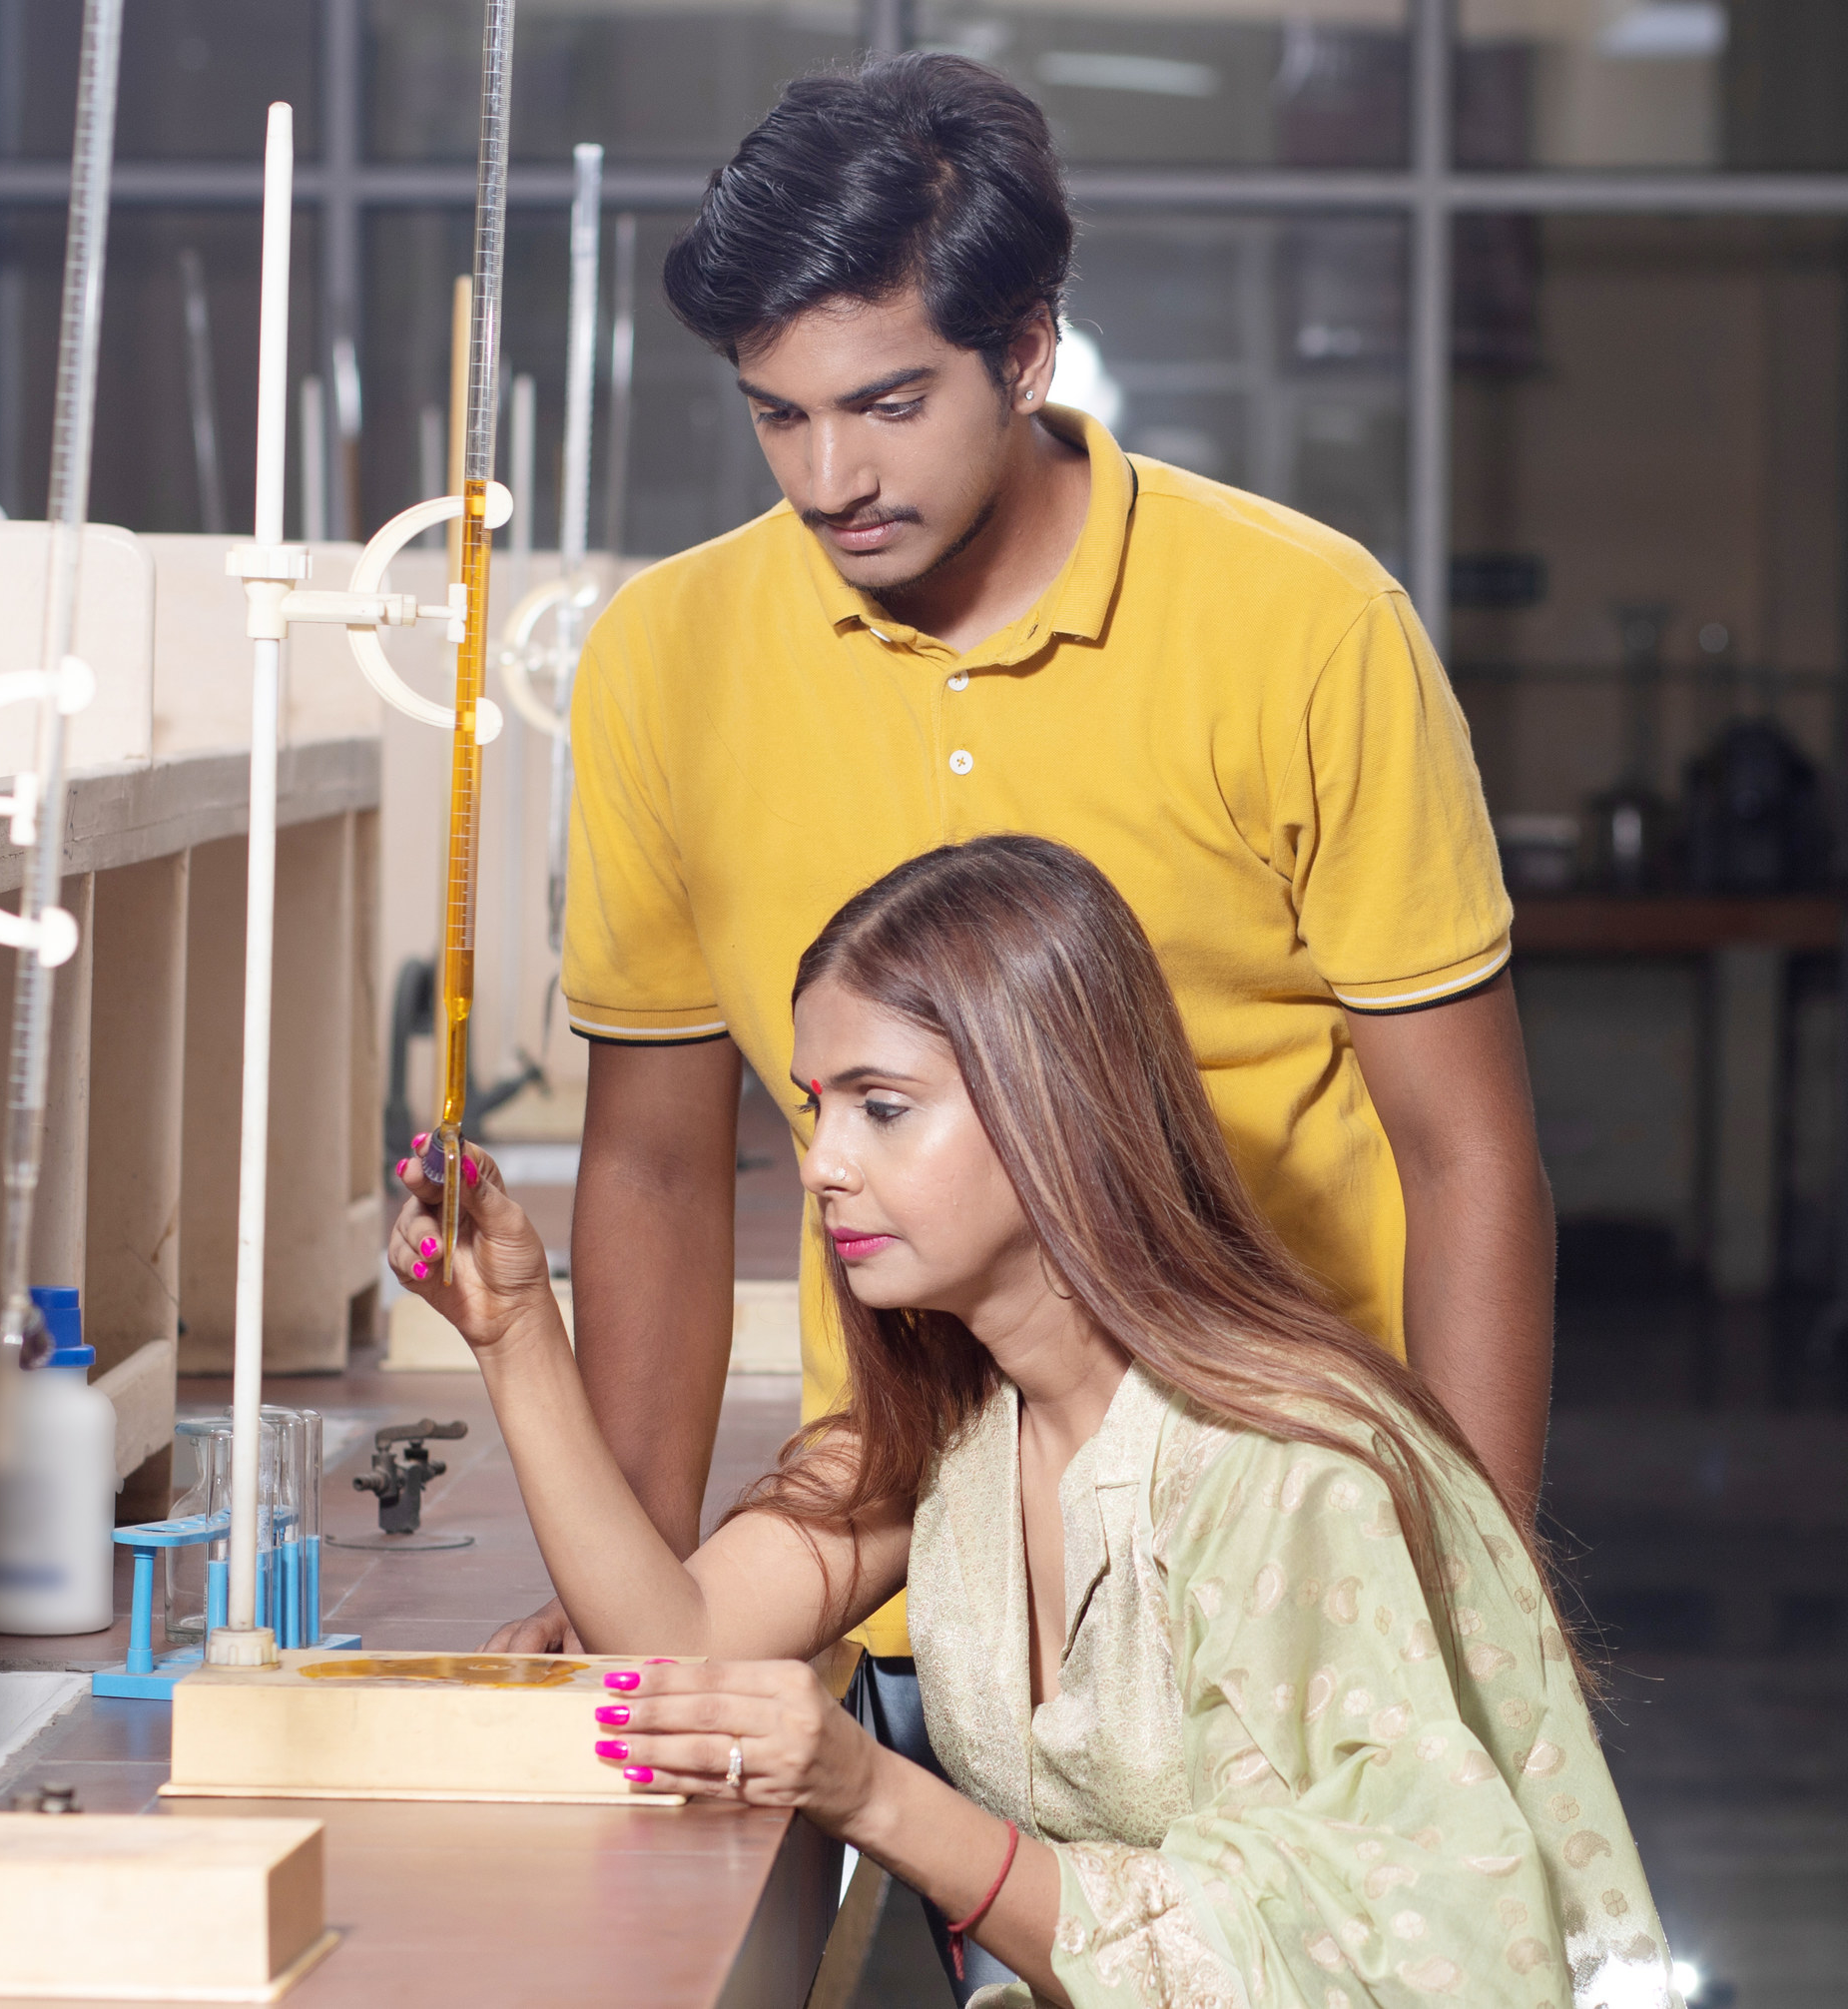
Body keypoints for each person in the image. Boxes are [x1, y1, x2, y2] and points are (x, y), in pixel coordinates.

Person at [509, 52, 1555, 1700]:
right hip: (921, 1576)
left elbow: (1465, 1151)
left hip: (1289, 1573)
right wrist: (636, 1583)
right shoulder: (666, 659)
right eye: (778, 412)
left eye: (888, 403)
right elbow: (655, 1166)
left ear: (1027, 349)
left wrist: (1473, 1608)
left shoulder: (1307, 622)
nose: (828, 479)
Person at [398, 839, 1667, 2009]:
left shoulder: (1288, 1469)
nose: (823, 1163)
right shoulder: (955, 1420)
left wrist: (865, 1785)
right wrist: (515, 1331)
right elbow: (674, 1641)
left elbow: (1387, 1949)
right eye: (814, 1108)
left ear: (1053, 1102)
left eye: (882, 1107)